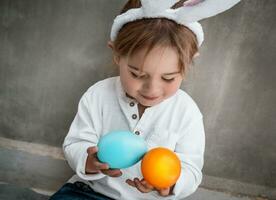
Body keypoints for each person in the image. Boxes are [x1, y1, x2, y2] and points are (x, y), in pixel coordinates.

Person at [50, 0, 240, 199]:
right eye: (137, 74)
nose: (152, 89)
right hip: (90, 192)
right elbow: (75, 143)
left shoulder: (186, 113)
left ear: (188, 63)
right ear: (117, 54)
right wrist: (89, 160)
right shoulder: (98, 95)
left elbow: (191, 170)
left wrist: (169, 183)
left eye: (168, 78)